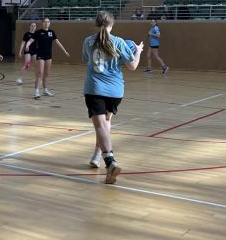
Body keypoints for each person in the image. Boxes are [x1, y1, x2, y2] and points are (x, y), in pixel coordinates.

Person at [82, 11, 142, 184]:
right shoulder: (119, 42)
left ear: (96, 23)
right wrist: (138, 51)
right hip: (115, 91)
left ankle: (110, 161)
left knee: (100, 125)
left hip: (95, 88)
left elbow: (86, 59)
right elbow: (133, 66)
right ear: (112, 24)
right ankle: (97, 156)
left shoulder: (88, 41)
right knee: (105, 122)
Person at [26, 17, 70, 99]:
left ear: (49, 23)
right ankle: (36, 92)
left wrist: (64, 51)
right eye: (45, 22)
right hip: (40, 55)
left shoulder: (51, 32)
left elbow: (57, 42)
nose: (47, 23)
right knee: (40, 73)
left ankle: (45, 90)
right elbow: (30, 40)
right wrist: (27, 46)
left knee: (46, 74)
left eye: (48, 22)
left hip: (48, 55)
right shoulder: (38, 32)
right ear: (42, 23)